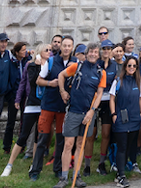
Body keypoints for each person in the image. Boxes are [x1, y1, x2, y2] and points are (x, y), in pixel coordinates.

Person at [56, 42, 107, 188]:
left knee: (80, 144)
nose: (93, 54)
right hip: (73, 111)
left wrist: (92, 111)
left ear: (98, 55)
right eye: (91, 51)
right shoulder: (77, 67)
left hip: (88, 114)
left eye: (95, 52)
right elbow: (61, 75)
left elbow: (99, 94)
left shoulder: (101, 72)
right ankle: (63, 178)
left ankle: (76, 176)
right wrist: (62, 91)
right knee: (68, 144)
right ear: (86, 53)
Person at [2, 43, 49, 177]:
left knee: (38, 136)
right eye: (47, 50)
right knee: (24, 134)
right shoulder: (31, 65)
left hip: (44, 104)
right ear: (40, 52)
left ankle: (34, 164)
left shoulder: (50, 65)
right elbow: (32, 81)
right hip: (32, 103)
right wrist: (38, 66)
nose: (49, 52)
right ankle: (9, 164)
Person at [30, 35, 73, 181]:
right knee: (42, 138)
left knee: (60, 140)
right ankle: (35, 170)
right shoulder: (51, 61)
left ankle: (58, 169)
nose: (66, 48)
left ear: (72, 48)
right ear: (60, 47)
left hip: (63, 107)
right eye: (64, 45)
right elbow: (38, 81)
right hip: (48, 105)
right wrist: (50, 83)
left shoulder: (74, 63)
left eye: (69, 46)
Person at [110, 56, 141, 188]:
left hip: (134, 118)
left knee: (129, 146)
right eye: (129, 65)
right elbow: (112, 98)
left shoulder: (139, 82)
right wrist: (113, 114)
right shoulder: (118, 81)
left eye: (134, 66)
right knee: (122, 146)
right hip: (121, 118)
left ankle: (121, 169)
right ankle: (121, 175)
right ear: (125, 67)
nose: (131, 68)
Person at [92, 39, 118, 175]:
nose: (106, 51)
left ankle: (101, 163)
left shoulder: (115, 66)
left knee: (106, 133)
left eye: (109, 48)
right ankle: (87, 164)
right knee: (91, 134)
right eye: (104, 48)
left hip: (108, 100)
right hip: (95, 99)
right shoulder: (95, 64)